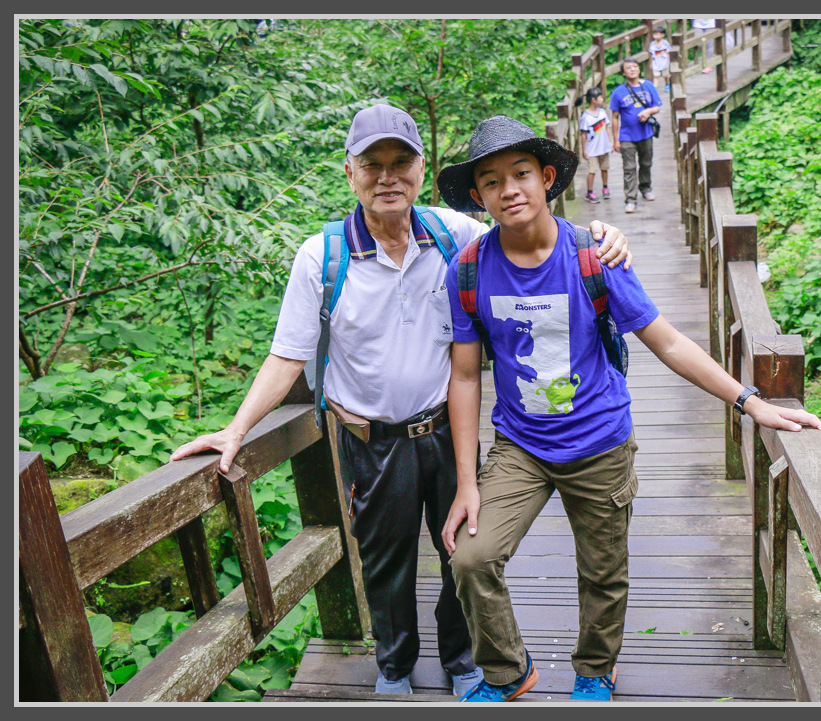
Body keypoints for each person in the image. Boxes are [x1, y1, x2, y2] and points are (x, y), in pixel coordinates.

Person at [169, 103, 633, 698]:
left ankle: (465, 661)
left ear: (420, 169)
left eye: (401, 162)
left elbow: (526, 231)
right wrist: (235, 431)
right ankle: (394, 667)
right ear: (350, 173)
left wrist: (601, 233)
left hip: (445, 428)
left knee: (456, 551)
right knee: (386, 562)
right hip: (370, 437)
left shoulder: (454, 234)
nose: (387, 176)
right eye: (372, 165)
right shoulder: (323, 256)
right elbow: (287, 356)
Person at [435, 116, 821, 703]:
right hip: (521, 445)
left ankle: (596, 669)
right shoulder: (467, 269)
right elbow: (464, 375)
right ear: (478, 196)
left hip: (599, 442)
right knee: (471, 558)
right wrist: (468, 483)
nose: (508, 189)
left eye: (520, 174)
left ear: (546, 180)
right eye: (491, 181)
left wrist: (750, 401)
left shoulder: (592, 256)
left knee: (602, 572)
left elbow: (666, 340)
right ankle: (508, 669)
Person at [609, 57, 662, 214]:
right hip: (626, 136)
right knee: (629, 168)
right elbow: (614, 117)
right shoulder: (618, 92)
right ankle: (630, 199)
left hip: (646, 134)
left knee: (646, 163)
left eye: (635, 66)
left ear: (639, 69)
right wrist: (615, 140)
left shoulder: (648, 86)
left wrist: (648, 111)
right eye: (628, 67)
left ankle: (646, 188)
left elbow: (657, 106)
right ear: (623, 72)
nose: (632, 69)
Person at [576, 87, 612, 204]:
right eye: (600, 97)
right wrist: (584, 150)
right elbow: (583, 135)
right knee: (592, 170)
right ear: (593, 100)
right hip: (592, 149)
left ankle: (605, 187)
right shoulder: (585, 117)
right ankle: (590, 192)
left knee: (605, 168)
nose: (602, 99)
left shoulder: (602, 112)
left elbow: (607, 128)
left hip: (604, 147)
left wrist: (610, 142)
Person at [647, 26, 671, 93]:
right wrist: (651, 63)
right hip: (656, 62)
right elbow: (651, 54)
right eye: (654, 34)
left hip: (664, 62)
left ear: (662, 35)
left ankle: (667, 84)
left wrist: (669, 60)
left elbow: (669, 52)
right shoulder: (652, 44)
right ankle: (655, 89)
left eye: (657, 34)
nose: (655, 36)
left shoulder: (665, 43)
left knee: (666, 75)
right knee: (656, 76)